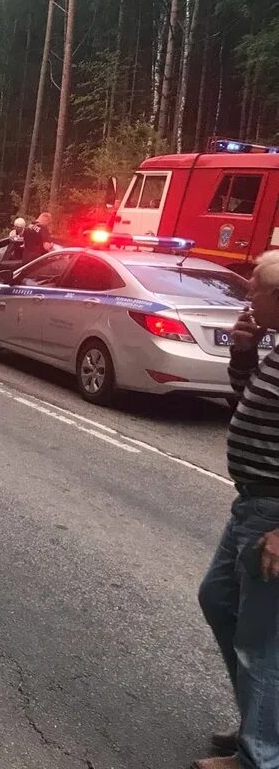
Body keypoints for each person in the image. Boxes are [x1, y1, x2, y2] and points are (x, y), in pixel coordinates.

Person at [198, 251, 279, 769]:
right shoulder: (275, 349)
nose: (247, 295)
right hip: (251, 502)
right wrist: (243, 357)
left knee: (261, 642)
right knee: (218, 600)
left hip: (271, 514)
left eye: (255, 287)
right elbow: (244, 403)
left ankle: (259, 757)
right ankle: (260, 722)